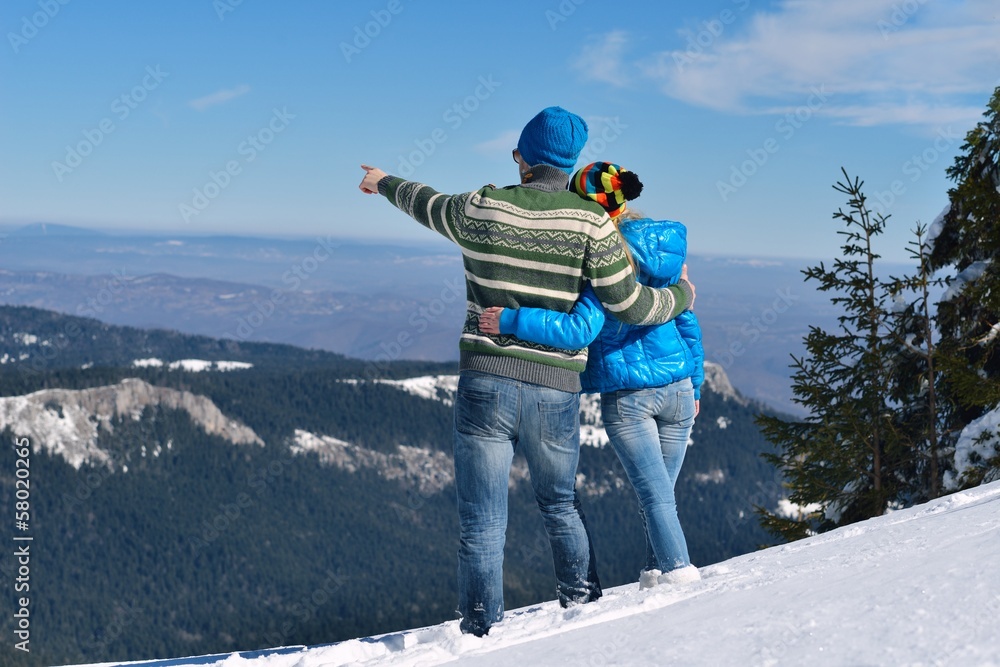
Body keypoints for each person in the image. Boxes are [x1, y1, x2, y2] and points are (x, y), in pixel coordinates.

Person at [358, 107, 695, 637]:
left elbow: (426, 202)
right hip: (554, 389)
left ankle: (478, 631)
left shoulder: (483, 206)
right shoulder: (590, 224)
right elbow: (629, 305)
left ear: (523, 159)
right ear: (570, 163)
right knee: (560, 504)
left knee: (481, 519)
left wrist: (382, 183)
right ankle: (582, 609)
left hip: (485, 383)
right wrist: (680, 295)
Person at [478, 162, 704, 588]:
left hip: (629, 394)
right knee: (662, 500)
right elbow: (687, 319)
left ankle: (679, 583)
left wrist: (510, 320)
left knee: (656, 499)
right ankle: (656, 578)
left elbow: (578, 329)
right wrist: (695, 382)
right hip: (677, 388)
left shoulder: (605, 258)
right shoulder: (667, 249)